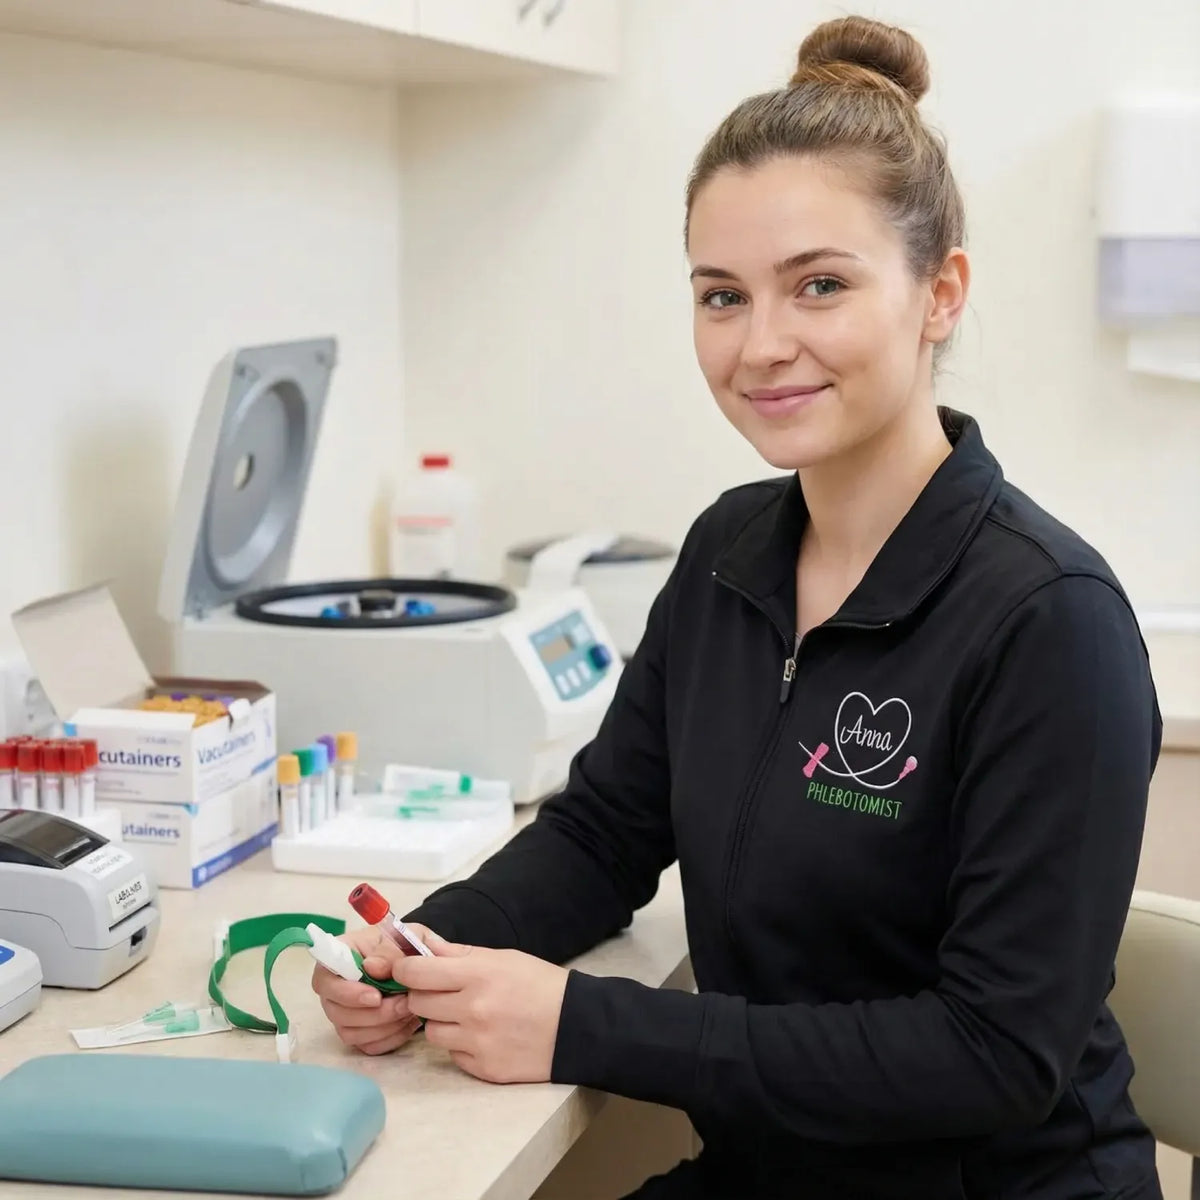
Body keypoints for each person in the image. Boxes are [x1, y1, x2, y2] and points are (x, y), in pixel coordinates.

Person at [312, 15, 1164, 1199]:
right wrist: (423, 950)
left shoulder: (1048, 620)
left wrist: (580, 1024)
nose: (763, 346)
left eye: (820, 285)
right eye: (722, 296)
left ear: (940, 293)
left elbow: (994, 1053)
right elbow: (605, 833)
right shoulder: (729, 553)